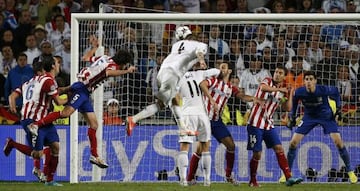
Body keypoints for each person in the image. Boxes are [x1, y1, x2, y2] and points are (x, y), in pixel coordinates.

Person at [27, 49, 136, 169]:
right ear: (124, 62)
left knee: (94, 124)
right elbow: (109, 73)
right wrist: (127, 71)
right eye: (126, 64)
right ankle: (36, 124)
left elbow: (88, 58)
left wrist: (94, 48)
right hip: (82, 89)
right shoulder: (112, 66)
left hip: (85, 91)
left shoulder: (105, 57)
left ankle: (94, 155)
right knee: (65, 113)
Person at [126, 26, 208, 137]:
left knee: (174, 100)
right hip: (173, 75)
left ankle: (183, 128)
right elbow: (199, 51)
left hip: (161, 73)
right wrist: (202, 61)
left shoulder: (176, 45)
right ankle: (134, 119)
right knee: (160, 105)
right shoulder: (200, 44)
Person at [190, 62, 261, 185]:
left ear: (229, 71)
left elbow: (241, 96)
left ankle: (228, 176)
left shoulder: (230, 88)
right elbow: (202, 84)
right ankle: (190, 178)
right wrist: (211, 99)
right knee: (200, 149)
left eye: (223, 67)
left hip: (217, 121)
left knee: (231, 146)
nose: (220, 69)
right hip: (205, 119)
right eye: (219, 67)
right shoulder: (213, 80)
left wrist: (253, 99)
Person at [4, 56, 68, 186]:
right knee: (37, 154)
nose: (59, 64)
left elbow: (12, 95)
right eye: (57, 63)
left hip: (43, 120)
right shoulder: (49, 81)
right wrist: (73, 100)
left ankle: (50, 180)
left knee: (55, 146)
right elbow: (59, 101)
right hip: (32, 121)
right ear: (52, 66)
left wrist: (12, 106)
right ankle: (12, 143)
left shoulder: (30, 82)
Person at [285, 70, 358, 184]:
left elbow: (335, 92)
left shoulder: (323, 89)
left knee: (338, 142)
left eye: (311, 79)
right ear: (304, 81)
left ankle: (350, 171)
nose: (309, 82)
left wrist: (338, 110)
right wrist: (292, 117)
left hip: (326, 116)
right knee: (293, 142)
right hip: (309, 117)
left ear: (315, 81)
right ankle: (287, 174)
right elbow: (294, 103)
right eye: (307, 79)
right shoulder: (299, 92)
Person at [246, 64, 303, 187]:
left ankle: (289, 178)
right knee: (257, 154)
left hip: (268, 124)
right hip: (255, 123)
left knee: (279, 148)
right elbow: (263, 88)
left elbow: (287, 108)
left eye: (280, 73)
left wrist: (290, 94)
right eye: (276, 72)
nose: (277, 74)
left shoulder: (282, 92)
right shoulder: (267, 80)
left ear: (284, 76)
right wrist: (279, 90)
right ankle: (253, 180)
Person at [176, 62, 219, 186]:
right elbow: (217, 71)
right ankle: (207, 180)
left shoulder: (178, 77)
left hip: (188, 114)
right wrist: (204, 66)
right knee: (206, 146)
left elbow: (176, 97)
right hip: (202, 115)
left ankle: (183, 180)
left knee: (185, 147)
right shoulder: (200, 73)